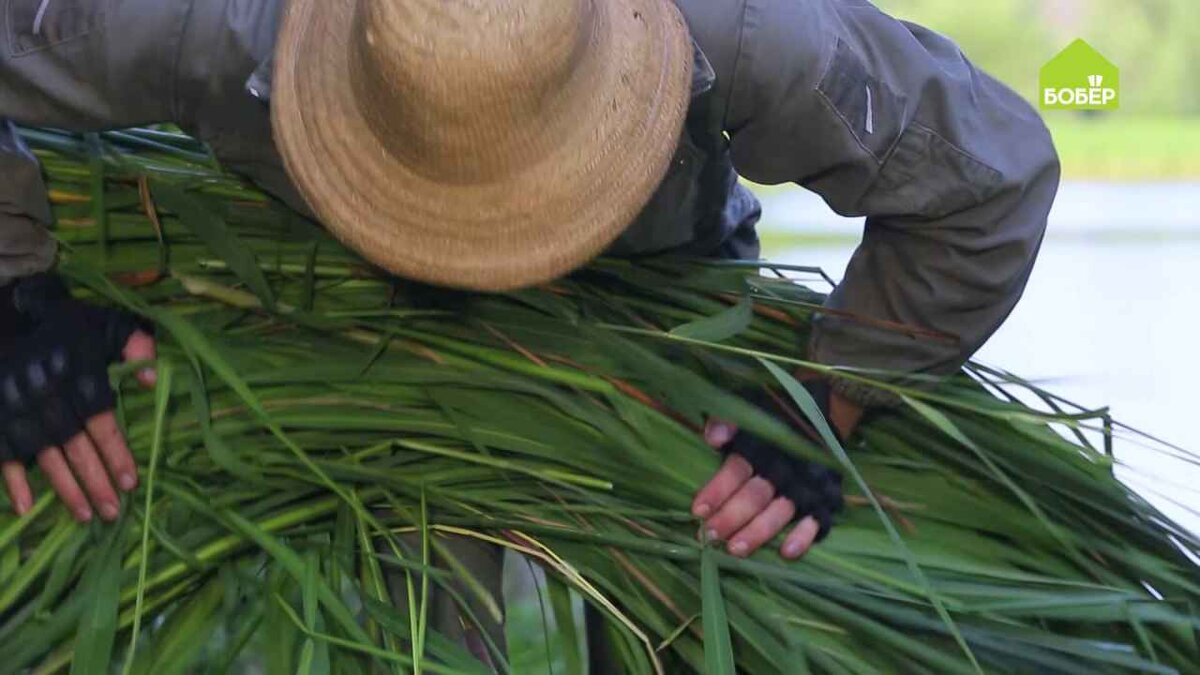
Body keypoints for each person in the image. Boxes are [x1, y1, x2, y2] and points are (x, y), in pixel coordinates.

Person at [0, 0, 1058, 661]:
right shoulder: (182, 17)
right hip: (315, 283)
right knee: (403, 630)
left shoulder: (742, 28)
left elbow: (991, 178)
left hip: (659, 301)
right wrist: (18, 305)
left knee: (706, 599)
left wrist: (834, 392)